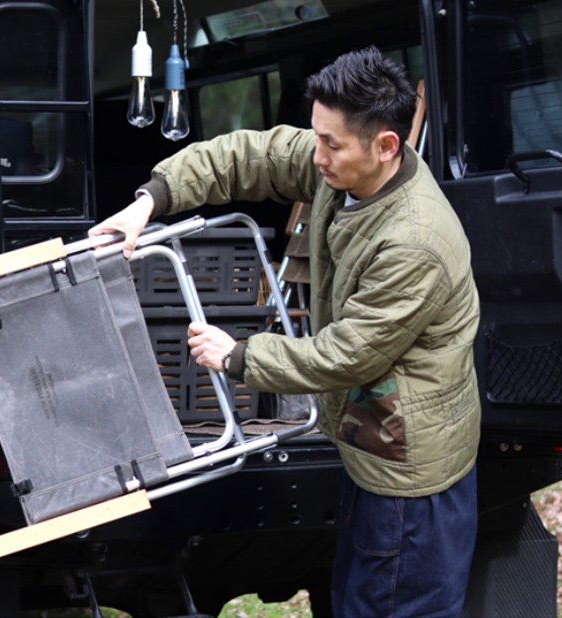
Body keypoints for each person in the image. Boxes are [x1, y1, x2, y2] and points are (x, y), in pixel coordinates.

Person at [89, 46, 481, 618]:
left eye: (332, 143)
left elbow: (348, 353)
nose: (316, 154)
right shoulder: (343, 164)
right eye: (315, 135)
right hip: (372, 444)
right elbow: (244, 155)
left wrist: (241, 355)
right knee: (357, 603)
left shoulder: (414, 241)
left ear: (386, 146)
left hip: (410, 475)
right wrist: (150, 201)